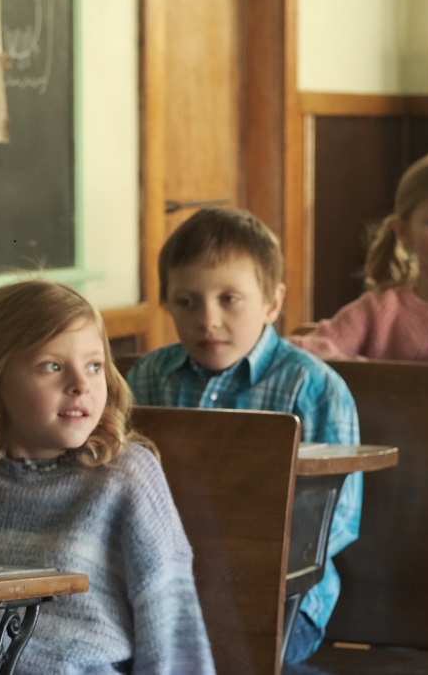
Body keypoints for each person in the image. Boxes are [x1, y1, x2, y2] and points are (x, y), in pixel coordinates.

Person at [0, 279, 216, 675]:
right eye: (52, 366)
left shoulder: (127, 475)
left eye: (94, 366)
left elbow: (170, 620)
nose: (81, 385)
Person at [289, 147, 428, 675]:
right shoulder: (379, 309)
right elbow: (310, 353)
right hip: (394, 501)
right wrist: (370, 369)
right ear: (404, 231)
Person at [126, 206, 362, 665]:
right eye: (186, 301)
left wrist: (245, 562)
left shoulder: (312, 387)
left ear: (272, 303)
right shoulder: (150, 376)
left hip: (282, 597)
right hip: (162, 584)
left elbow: (340, 516)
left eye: (228, 299)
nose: (207, 319)